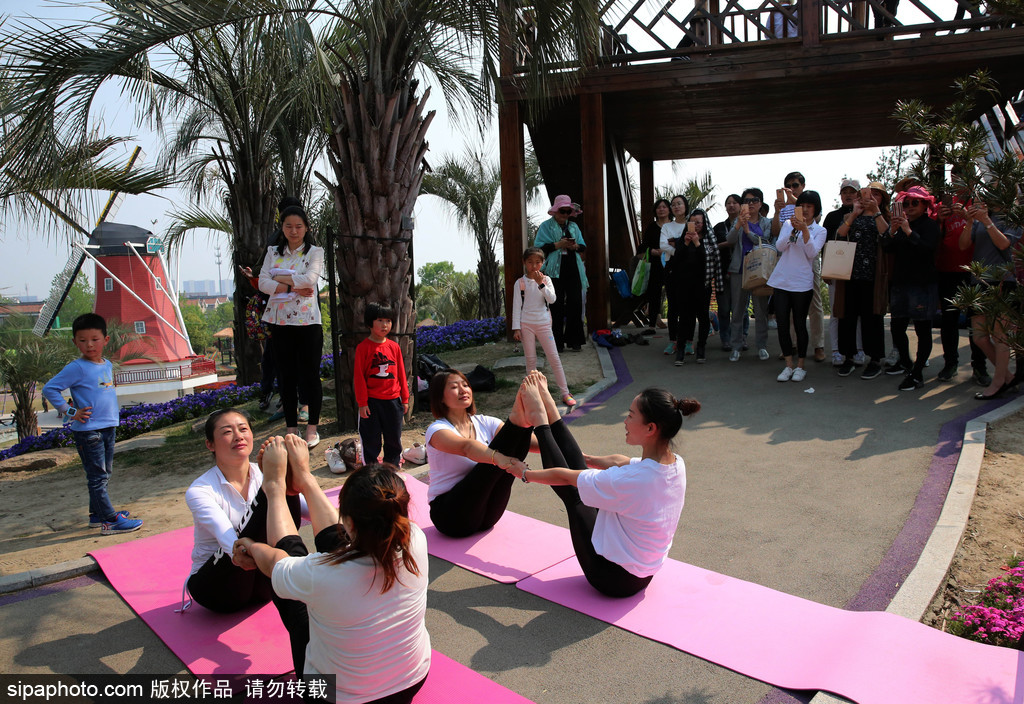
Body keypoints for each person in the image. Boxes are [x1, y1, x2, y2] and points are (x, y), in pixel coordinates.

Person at [236, 437, 430, 704]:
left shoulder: (323, 575)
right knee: (332, 559)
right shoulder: (415, 539)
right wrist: (304, 479)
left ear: (348, 522)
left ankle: (277, 488)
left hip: (337, 699)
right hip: (411, 681)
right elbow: (353, 540)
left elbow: (277, 563)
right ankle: (305, 479)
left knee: (294, 600)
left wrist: (254, 542)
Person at [506, 373, 696, 599]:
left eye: (630, 415)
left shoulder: (631, 481)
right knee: (584, 476)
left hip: (612, 579)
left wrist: (525, 474)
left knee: (576, 496)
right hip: (645, 572)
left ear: (650, 428)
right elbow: (620, 462)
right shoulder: (675, 464)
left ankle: (540, 418)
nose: (625, 421)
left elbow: (566, 477)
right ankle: (549, 406)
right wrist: (586, 458)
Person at [184, 409, 304, 615]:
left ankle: (294, 572)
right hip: (216, 588)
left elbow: (302, 507)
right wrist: (242, 551)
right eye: (227, 432)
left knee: (285, 491)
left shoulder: (264, 472)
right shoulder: (200, 490)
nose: (238, 436)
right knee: (273, 488)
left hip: (264, 582)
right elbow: (226, 536)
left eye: (243, 429)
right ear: (210, 444)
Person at [42, 313, 143, 535]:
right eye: (83, 340)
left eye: (94, 339)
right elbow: (50, 389)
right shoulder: (76, 368)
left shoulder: (107, 364)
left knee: (104, 473)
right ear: (75, 342)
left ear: (105, 340)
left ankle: (97, 514)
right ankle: (109, 520)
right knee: (97, 477)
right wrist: (71, 412)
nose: (89, 345)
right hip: (89, 432)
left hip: (107, 428)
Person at [425, 369, 532, 537]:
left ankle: (525, 414)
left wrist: (576, 454)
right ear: (440, 398)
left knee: (519, 434)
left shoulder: (485, 422)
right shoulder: (436, 430)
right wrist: (501, 460)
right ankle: (519, 413)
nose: (463, 390)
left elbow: (529, 442)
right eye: (454, 387)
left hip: (488, 515)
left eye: (466, 385)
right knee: (493, 459)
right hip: (450, 516)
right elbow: (466, 447)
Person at [259, 205, 325, 447]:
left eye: (298, 226)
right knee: (286, 377)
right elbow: (262, 282)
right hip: (280, 323)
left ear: (306, 228)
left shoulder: (315, 252)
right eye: (288, 226)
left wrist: (278, 277)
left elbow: (310, 279)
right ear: (282, 228)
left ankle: (312, 428)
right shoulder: (272, 252)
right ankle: (291, 428)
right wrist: (290, 286)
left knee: (310, 376)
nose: (294, 231)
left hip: (308, 323)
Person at [958, 200, 1022, 399]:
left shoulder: (1013, 219)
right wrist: (970, 221)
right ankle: (1008, 378)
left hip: (1003, 281)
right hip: (979, 281)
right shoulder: (980, 217)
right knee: (979, 337)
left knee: (1000, 336)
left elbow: (1004, 244)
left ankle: (998, 382)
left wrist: (986, 220)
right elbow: (963, 245)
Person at [884, 186, 941, 391]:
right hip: (901, 283)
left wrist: (908, 231)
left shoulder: (930, 225)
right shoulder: (900, 225)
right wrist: (892, 230)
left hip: (922, 284)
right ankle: (907, 363)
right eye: (906, 203)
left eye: (915, 202)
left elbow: (928, 249)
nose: (909, 207)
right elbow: (886, 247)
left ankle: (917, 373)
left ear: (925, 204)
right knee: (897, 327)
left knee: (922, 329)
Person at [767, 191, 827, 382]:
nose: (806, 210)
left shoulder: (820, 231)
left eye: (810, 206)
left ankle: (800, 366)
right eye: (803, 206)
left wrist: (805, 231)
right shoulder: (787, 224)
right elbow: (780, 246)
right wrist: (793, 231)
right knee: (783, 324)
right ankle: (788, 365)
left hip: (802, 283)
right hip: (782, 281)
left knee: (800, 324)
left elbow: (812, 253)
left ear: (816, 209)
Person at [833, 182, 891, 380]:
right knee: (847, 317)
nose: (871, 198)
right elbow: (839, 235)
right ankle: (848, 357)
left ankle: (874, 359)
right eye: (867, 194)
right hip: (850, 274)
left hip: (873, 275)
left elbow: (887, 236)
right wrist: (854, 213)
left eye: (876, 195)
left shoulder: (883, 217)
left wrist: (876, 212)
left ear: (882, 199)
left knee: (872, 318)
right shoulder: (851, 215)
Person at [935, 193, 989, 385]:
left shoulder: (979, 202)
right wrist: (939, 219)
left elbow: (988, 232)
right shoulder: (942, 204)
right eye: (954, 177)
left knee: (977, 322)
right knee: (949, 321)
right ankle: (950, 364)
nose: (957, 180)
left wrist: (968, 216)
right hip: (947, 271)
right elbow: (933, 238)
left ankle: (979, 367)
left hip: (974, 271)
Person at [512, 247, 575, 406]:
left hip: (544, 323)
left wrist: (540, 284)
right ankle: (533, 395)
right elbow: (516, 306)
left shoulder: (546, 280)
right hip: (526, 324)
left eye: (537, 262)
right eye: (530, 262)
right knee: (530, 360)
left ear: (543, 263)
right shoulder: (520, 283)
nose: (534, 266)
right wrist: (516, 328)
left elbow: (552, 299)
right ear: (524, 262)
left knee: (554, 358)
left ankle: (565, 392)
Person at [354, 302, 409, 466]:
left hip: (393, 401)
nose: (385, 325)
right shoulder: (363, 348)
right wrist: (362, 403)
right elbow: (359, 377)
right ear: (370, 322)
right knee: (371, 438)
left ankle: (392, 466)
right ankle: (370, 468)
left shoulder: (394, 347)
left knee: (393, 437)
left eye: (388, 321)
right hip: (371, 402)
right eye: (380, 320)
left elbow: (401, 374)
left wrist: (405, 399)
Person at [726, 188, 775, 362]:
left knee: (760, 311)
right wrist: (739, 225)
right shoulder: (738, 221)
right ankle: (736, 347)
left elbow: (767, 241)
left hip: (759, 270)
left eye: (755, 200)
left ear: (761, 203)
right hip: (739, 269)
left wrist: (748, 231)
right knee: (737, 311)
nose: (751, 204)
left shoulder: (766, 222)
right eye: (747, 201)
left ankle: (761, 346)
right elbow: (729, 240)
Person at [535, 195, 588, 353]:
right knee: (555, 305)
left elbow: (583, 246)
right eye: (562, 211)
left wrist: (574, 246)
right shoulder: (545, 226)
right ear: (555, 211)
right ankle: (556, 343)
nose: (565, 215)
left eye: (567, 211)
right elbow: (539, 248)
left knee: (576, 303)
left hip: (573, 266)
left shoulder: (574, 226)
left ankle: (575, 341)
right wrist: (558, 244)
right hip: (553, 270)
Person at [822, 180, 866, 367]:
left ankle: (859, 349)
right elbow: (825, 244)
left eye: (852, 192)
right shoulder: (832, 217)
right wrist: (826, 270)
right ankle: (836, 351)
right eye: (844, 192)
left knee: (858, 313)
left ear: (858, 194)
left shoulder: (865, 214)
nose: (848, 195)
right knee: (836, 312)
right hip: (837, 269)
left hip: (860, 271)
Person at [675, 208, 723, 364]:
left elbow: (709, 260)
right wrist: (686, 242)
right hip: (684, 284)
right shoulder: (683, 238)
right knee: (685, 318)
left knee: (703, 317)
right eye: (692, 222)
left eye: (698, 222)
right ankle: (680, 349)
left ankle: (701, 347)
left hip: (703, 284)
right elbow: (677, 259)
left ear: (704, 223)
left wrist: (697, 243)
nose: (695, 225)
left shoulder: (710, 239)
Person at [659, 194, 690, 359]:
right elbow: (663, 245)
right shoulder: (667, 227)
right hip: (671, 267)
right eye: (673, 204)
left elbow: (695, 246)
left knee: (688, 306)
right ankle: (673, 340)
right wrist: (680, 249)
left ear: (685, 206)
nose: (676, 206)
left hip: (689, 267)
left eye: (679, 203)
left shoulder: (691, 224)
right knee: (673, 306)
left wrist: (675, 243)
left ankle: (688, 341)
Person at [713, 194, 743, 351]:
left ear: (740, 206)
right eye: (728, 203)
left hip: (741, 271)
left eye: (735, 202)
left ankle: (741, 338)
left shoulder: (746, 224)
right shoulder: (719, 227)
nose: (731, 205)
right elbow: (712, 246)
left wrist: (725, 243)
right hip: (722, 272)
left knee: (741, 309)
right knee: (724, 309)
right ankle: (725, 339)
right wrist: (728, 243)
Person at [640, 199, 672, 330]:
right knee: (654, 293)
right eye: (659, 207)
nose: (661, 209)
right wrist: (652, 251)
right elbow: (644, 246)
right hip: (655, 265)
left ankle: (674, 323)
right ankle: (652, 324)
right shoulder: (652, 227)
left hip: (671, 264)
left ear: (669, 209)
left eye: (664, 207)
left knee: (673, 293)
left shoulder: (674, 226)